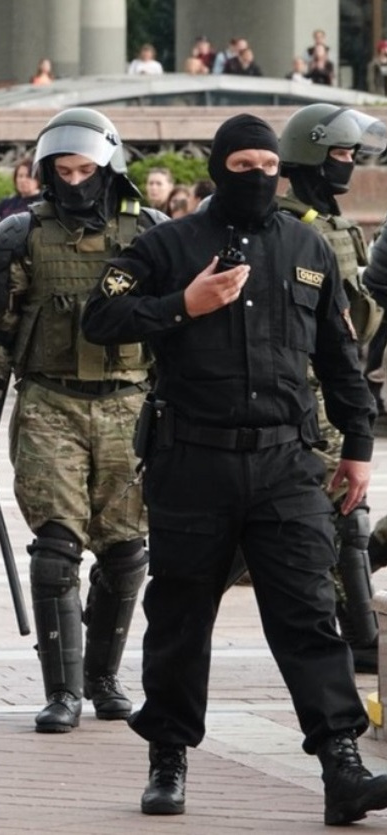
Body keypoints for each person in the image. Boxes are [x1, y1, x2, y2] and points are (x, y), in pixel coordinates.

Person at [80, 113, 387, 825]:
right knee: (181, 617)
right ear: (219, 170)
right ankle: (168, 757)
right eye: (243, 166)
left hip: (285, 462)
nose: (258, 177)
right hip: (193, 461)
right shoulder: (167, 244)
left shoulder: (308, 247)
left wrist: (358, 447)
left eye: (268, 166)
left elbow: (340, 358)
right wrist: (183, 305)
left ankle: (341, 762)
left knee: (309, 612)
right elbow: (100, 318)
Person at [0, 108, 163, 735]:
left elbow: (175, 326)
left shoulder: (151, 233)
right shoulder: (20, 236)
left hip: (129, 402)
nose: (75, 183)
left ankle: (103, 678)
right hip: (51, 402)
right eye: (63, 172)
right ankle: (63, 691)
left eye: (85, 171)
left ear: (109, 169)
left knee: (126, 551)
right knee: (56, 549)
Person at [283, 105, 387, 672]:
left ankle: (361, 634)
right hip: (297, 389)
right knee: (327, 514)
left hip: (333, 387)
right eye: (341, 154)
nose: (349, 164)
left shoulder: (336, 226)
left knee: (346, 512)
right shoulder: (289, 225)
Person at [0, 156, 40, 235]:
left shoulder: (41, 203)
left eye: (28, 176)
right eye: (20, 176)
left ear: (38, 179)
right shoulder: (8, 202)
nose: (23, 180)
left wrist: (0, 222)